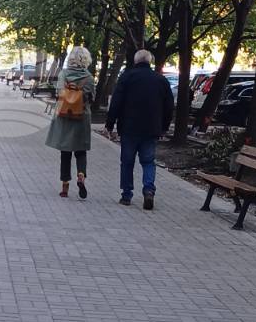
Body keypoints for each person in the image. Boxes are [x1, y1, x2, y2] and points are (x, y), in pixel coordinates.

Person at [107, 49, 175, 209]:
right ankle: (149, 190)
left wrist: (110, 123)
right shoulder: (160, 80)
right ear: (150, 61)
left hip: (129, 127)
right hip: (151, 128)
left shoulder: (127, 77)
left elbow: (116, 101)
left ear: (135, 61)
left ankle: (126, 195)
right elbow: (169, 106)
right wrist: (164, 127)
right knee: (148, 161)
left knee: (127, 162)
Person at [45, 45, 96, 198]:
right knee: (81, 151)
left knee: (65, 152)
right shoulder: (89, 77)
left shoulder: (64, 74)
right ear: (86, 60)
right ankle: (81, 174)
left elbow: (59, 93)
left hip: (65, 116)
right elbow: (92, 98)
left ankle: (65, 186)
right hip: (82, 117)